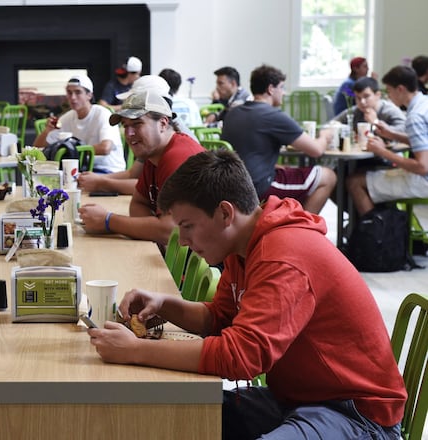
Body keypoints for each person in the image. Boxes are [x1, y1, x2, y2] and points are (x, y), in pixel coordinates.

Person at [87, 150, 406, 439]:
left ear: (225, 213)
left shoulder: (281, 256)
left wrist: (135, 350)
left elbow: (241, 357)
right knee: (172, 412)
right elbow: (220, 319)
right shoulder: (243, 248)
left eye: (188, 226)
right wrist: (166, 305)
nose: (182, 241)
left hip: (356, 415)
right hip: (299, 399)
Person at [78, 91, 204, 246]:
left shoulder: (178, 157)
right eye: (125, 126)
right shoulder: (153, 155)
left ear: (163, 124)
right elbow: (138, 203)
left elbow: (171, 231)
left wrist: (108, 221)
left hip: (205, 265)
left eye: (137, 124)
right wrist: (153, 231)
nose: (129, 134)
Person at [221, 64, 337, 214]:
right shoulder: (273, 115)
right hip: (259, 185)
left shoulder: (233, 112)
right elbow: (316, 150)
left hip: (231, 184)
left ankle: (285, 224)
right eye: (281, 87)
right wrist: (325, 135)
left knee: (290, 172)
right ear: (271, 89)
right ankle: (302, 228)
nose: (284, 92)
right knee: (328, 176)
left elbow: (247, 151)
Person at [347, 65, 428, 215]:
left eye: (389, 91)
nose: (388, 96)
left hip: (424, 182)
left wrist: (382, 151)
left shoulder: (415, 116)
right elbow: (424, 144)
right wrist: (393, 134)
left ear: (401, 89)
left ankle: (376, 233)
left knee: (354, 182)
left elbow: (422, 166)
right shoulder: (424, 104)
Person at [33, 75, 126, 174]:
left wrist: (70, 150)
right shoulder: (68, 117)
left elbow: (105, 148)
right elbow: (37, 149)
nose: (73, 97)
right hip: (81, 170)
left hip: (107, 170)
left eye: (78, 92)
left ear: (89, 95)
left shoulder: (103, 114)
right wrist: (47, 131)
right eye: (69, 93)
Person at [332, 76, 406, 142]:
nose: (362, 102)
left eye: (366, 96)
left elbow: (405, 132)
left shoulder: (390, 111)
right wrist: (345, 132)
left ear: (378, 95)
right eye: (358, 98)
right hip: (360, 155)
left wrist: (376, 122)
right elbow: (331, 125)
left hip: (388, 154)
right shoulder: (355, 111)